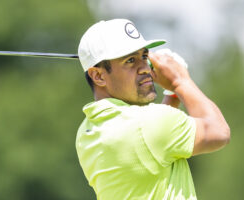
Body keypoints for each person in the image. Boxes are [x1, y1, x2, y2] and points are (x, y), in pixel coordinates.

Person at [76, 19, 230, 200]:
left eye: (144, 56)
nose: (144, 68)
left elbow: (154, 147)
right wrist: (180, 80)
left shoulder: (86, 133)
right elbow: (219, 132)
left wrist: (172, 94)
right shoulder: (148, 125)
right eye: (130, 60)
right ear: (98, 75)